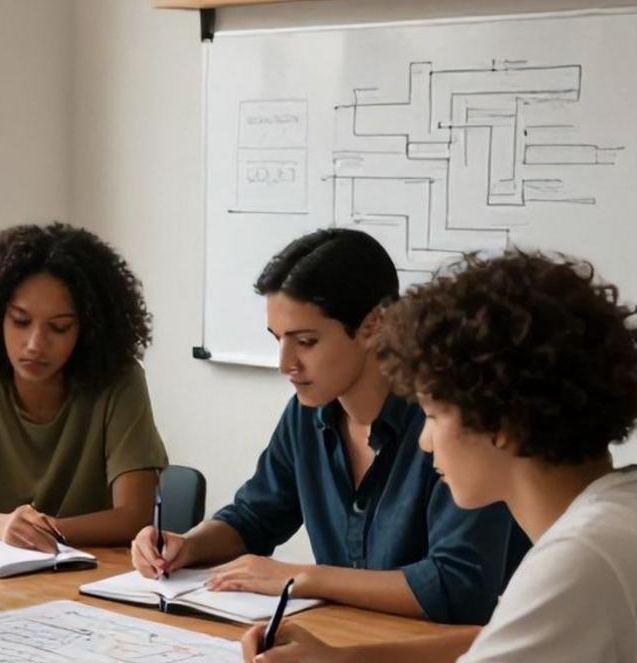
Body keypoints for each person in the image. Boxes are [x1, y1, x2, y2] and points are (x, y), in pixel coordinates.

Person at [239, 250, 637, 663]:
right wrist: (340, 662)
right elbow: (491, 645)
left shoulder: (581, 560)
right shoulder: (613, 514)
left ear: (500, 424)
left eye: (431, 414)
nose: (425, 440)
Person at [132, 229, 524, 624]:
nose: (285, 363)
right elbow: (254, 517)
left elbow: (457, 586)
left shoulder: (450, 422)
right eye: (278, 339)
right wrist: (186, 546)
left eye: (306, 340)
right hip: (346, 648)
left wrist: (301, 578)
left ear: (374, 324)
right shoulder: (307, 413)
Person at [0, 223, 168, 551]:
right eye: (20, 321)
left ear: (88, 330)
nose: (35, 344)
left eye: (59, 328)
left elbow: (134, 516)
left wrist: (38, 532)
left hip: (95, 570)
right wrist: (1, 527)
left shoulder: (119, 381)